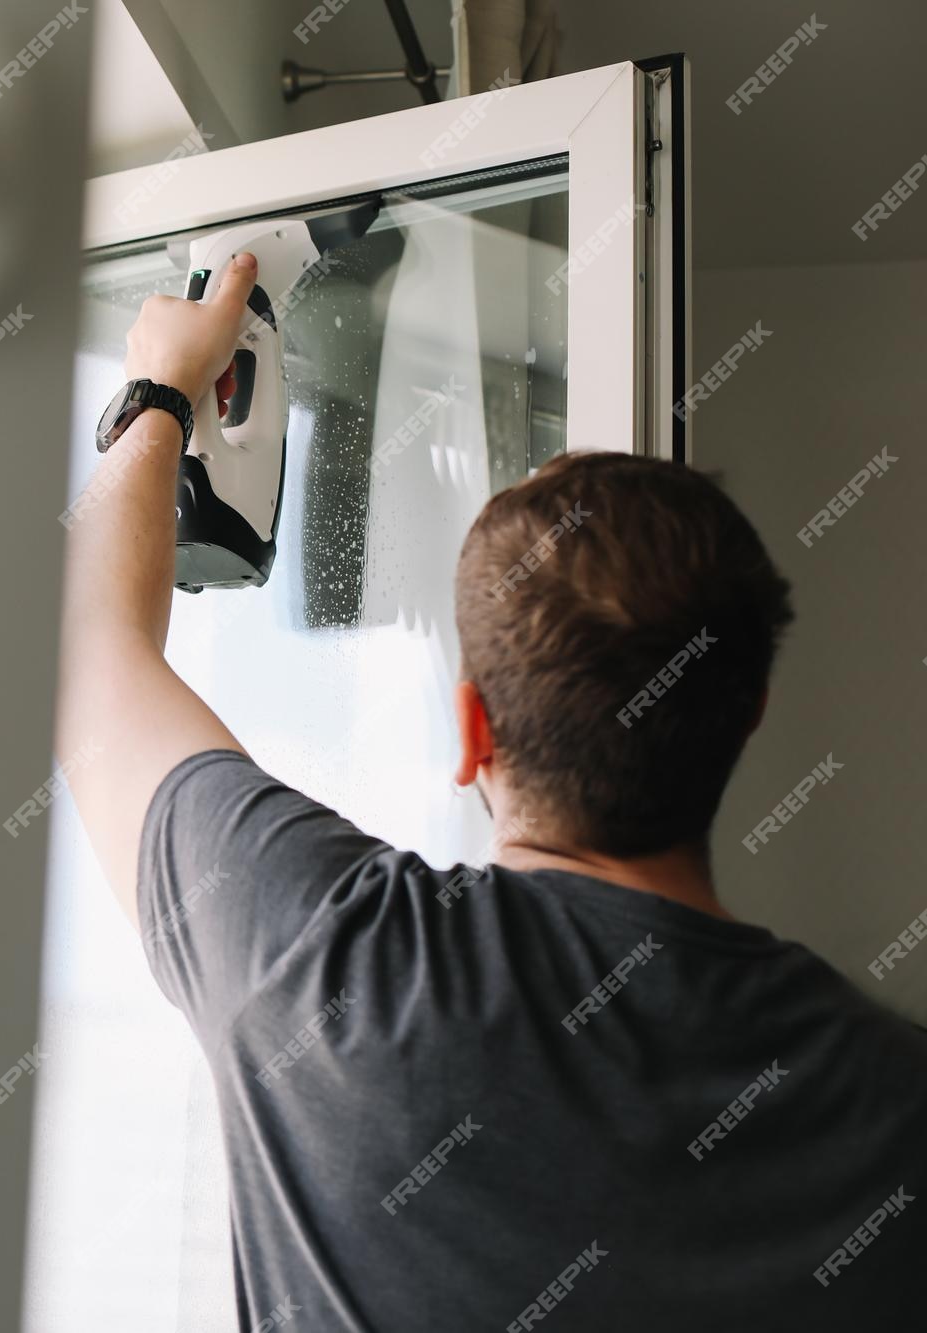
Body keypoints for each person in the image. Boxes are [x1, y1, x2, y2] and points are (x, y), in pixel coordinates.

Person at [56, 253, 924, 1330]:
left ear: (470, 733)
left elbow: (89, 656)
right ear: (745, 715)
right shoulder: (892, 1099)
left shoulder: (335, 962)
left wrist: (158, 393)